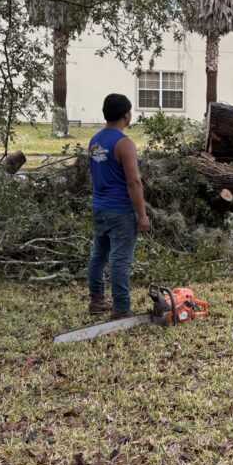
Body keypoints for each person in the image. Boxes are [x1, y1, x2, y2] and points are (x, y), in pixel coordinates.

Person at [87, 93, 151, 318]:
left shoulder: (95, 141)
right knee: (120, 260)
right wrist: (142, 215)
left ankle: (96, 301)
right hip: (121, 211)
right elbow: (134, 182)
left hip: (100, 208)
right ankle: (121, 309)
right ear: (127, 115)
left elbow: (95, 175)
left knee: (98, 255)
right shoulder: (125, 144)